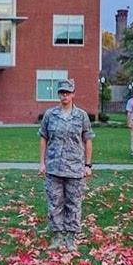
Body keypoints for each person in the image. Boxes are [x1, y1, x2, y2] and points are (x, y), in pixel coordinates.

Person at [39, 79, 94, 252]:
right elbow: (43, 138)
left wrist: (88, 165)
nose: (65, 95)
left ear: (73, 94)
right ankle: (57, 235)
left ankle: (71, 236)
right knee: (55, 202)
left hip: (75, 167)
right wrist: (42, 162)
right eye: (62, 92)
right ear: (59, 94)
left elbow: (88, 140)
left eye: (68, 92)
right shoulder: (50, 115)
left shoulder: (81, 116)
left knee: (73, 202)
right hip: (54, 166)